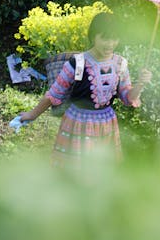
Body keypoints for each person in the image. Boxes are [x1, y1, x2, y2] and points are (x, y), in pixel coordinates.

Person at [14, 12, 152, 169]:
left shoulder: (120, 64)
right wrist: (32, 114)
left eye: (114, 38)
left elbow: (128, 98)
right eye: (105, 38)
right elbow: (54, 94)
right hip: (78, 123)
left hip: (106, 125)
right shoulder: (78, 63)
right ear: (93, 36)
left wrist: (140, 84)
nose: (110, 44)